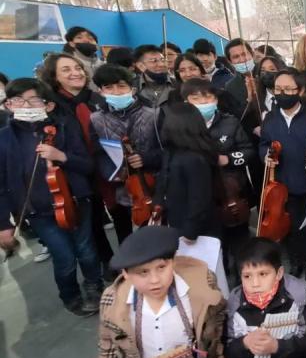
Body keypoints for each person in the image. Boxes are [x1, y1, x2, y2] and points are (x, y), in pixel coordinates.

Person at [94, 225, 228, 358]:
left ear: (173, 262)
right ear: (126, 274)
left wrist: (217, 353)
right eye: (143, 272)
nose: (155, 280)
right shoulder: (113, 301)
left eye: (162, 267)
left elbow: (216, 320)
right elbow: (107, 344)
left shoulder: (200, 284)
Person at [0, 78, 103, 316]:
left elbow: (87, 165)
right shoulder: (4, 139)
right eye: (19, 101)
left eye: (33, 100)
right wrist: (4, 224)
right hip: (40, 212)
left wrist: (61, 156)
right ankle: (70, 295)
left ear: (48, 105)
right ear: (9, 105)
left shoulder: (65, 127)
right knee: (64, 256)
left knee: (86, 249)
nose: (26, 106)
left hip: (76, 202)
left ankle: (94, 286)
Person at [39, 53, 116, 279]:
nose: (75, 73)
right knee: (91, 225)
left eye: (78, 67)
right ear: (54, 76)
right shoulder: (52, 105)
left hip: (106, 164)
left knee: (118, 211)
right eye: (66, 70)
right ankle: (107, 263)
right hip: (76, 172)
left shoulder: (97, 98)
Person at [182, 78, 255, 277]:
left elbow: (248, 152)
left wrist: (228, 159)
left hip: (233, 195)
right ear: (186, 101)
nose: (203, 102)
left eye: (208, 97)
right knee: (211, 248)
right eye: (196, 98)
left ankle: (244, 280)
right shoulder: (180, 128)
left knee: (240, 243)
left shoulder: (230, 122)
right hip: (201, 198)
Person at [90, 64, 162, 246]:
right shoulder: (96, 119)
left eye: (121, 86)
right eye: (109, 87)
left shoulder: (153, 113)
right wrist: (112, 173)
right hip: (122, 188)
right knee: (126, 235)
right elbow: (98, 153)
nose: (116, 91)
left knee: (159, 230)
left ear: (133, 89)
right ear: (100, 91)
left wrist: (146, 158)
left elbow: (167, 148)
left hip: (155, 182)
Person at [259, 69, 306, 279]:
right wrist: (265, 156)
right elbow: (264, 144)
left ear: (300, 90)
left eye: (288, 89)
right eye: (278, 89)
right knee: (289, 226)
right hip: (282, 185)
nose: (282, 93)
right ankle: (295, 261)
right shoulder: (270, 118)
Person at [154, 102, 220, 242]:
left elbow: (199, 198)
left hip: (196, 230)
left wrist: (190, 231)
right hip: (177, 221)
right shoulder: (172, 151)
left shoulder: (193, 158)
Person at [133, 44, 174, 108]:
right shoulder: (132, 87)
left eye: (163, 60)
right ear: (141, 66)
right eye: (153, 61)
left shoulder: (178, 85)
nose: (161, 64)